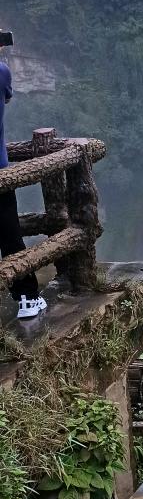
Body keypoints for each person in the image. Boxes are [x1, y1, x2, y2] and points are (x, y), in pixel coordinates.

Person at [0, 51, 47, 319]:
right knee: (9, 235)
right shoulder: (2, 72)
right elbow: (6, 97)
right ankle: (27, 298)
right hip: (0, 173)